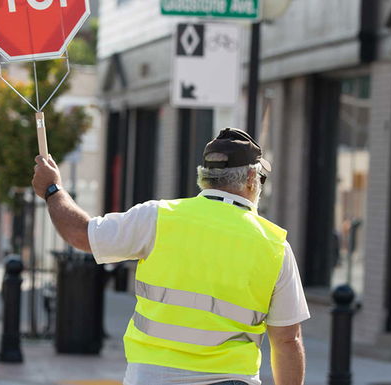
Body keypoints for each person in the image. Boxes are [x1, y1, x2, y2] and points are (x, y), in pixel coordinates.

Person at [32, 128, 309, 385]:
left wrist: (53, 189)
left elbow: (81, 234)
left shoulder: (157, 217)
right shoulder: (274, 246)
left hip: (152, 375)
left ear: (206, 176)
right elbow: (287, 340)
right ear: (251, 179)